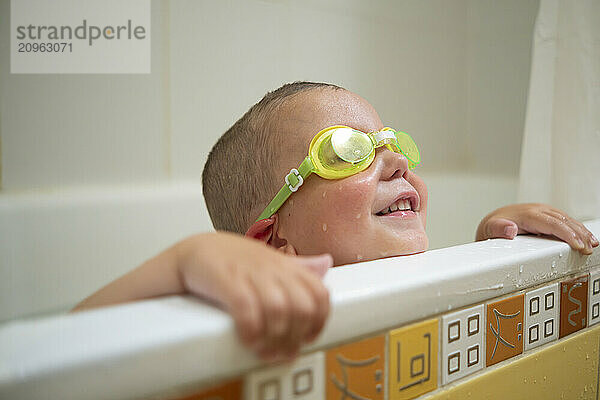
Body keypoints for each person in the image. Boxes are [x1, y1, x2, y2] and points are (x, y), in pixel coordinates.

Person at [76, 81, 598, 363]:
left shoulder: (421, 272)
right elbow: (61, 358)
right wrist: (184, 261)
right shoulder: (244, 332)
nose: (397, 162)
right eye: (347, 151)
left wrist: (489, 251)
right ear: (273, 243)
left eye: (392, 145)